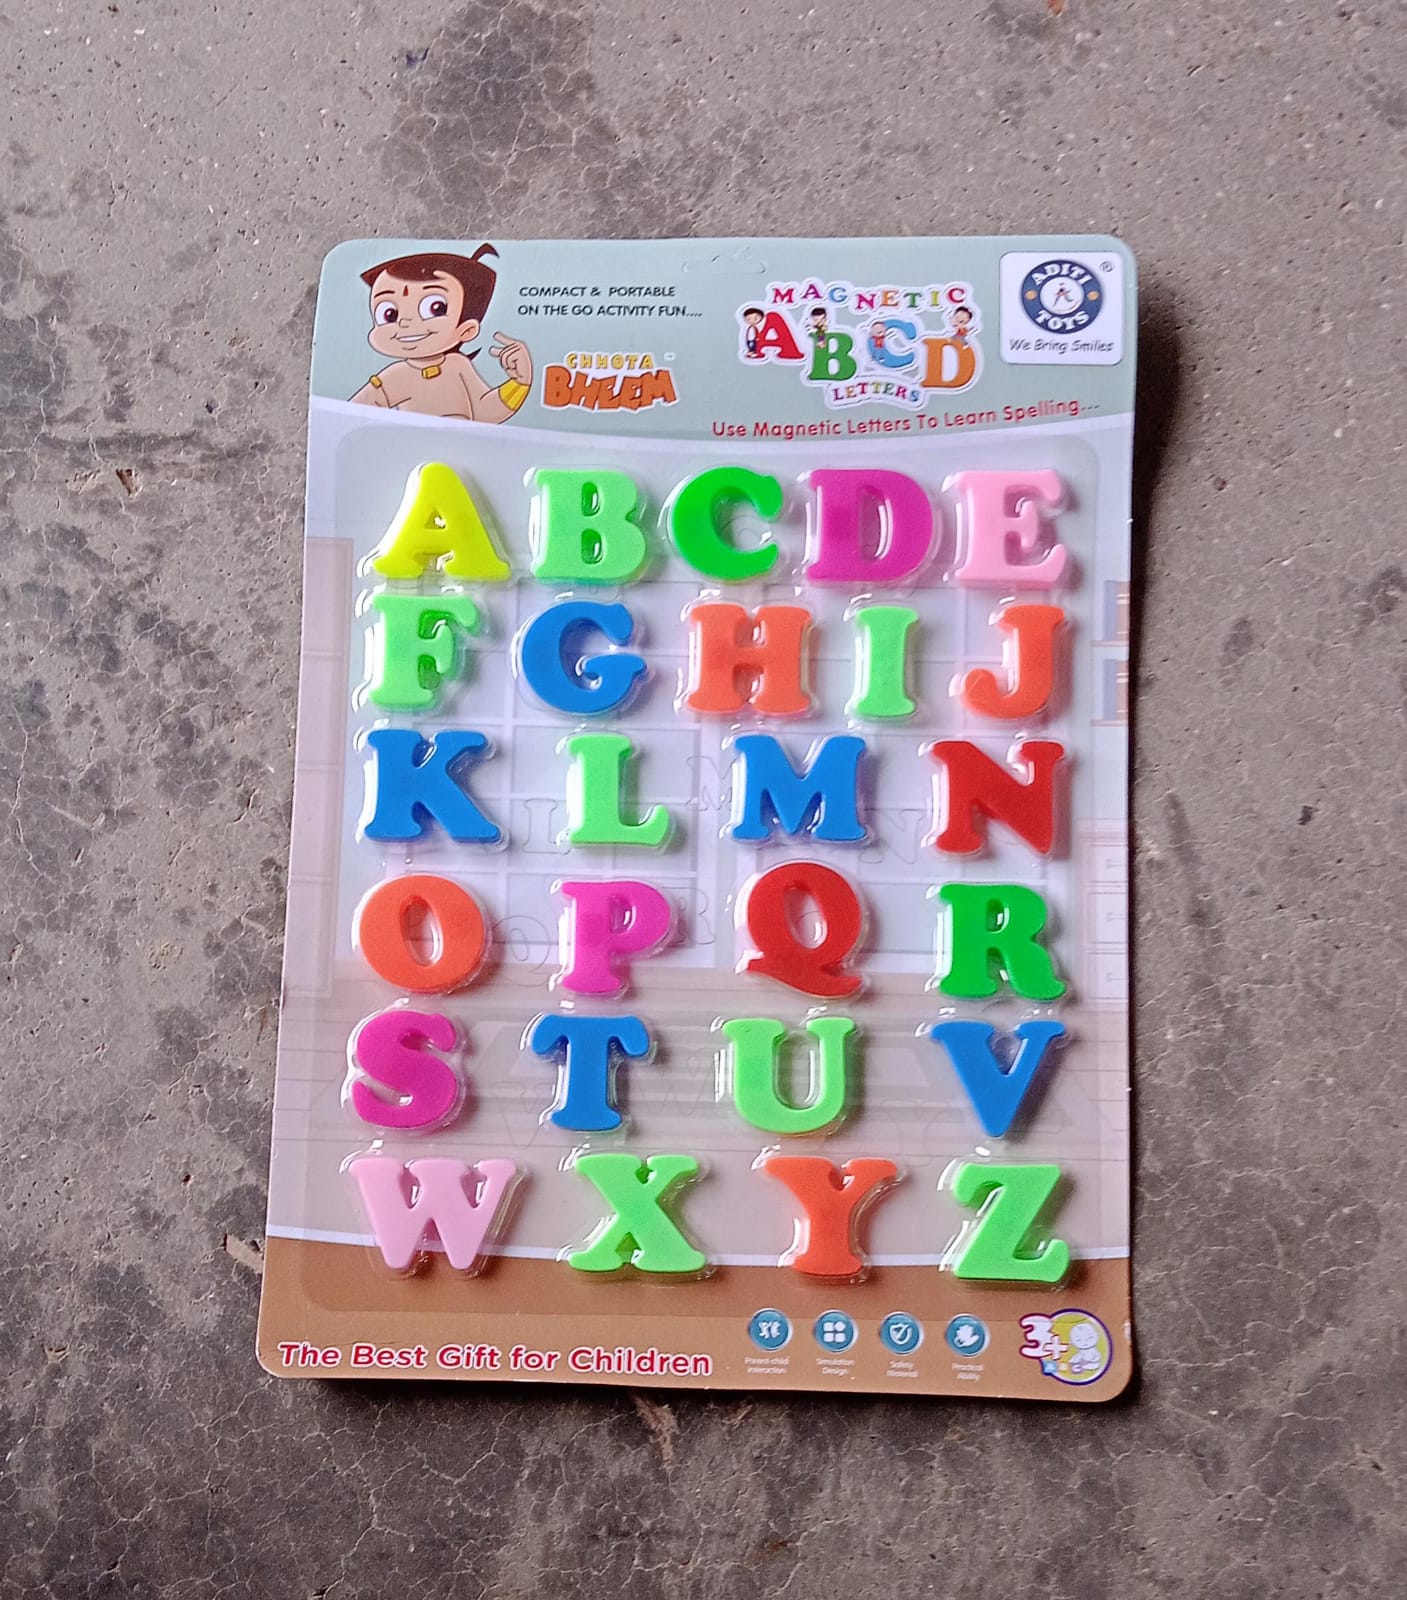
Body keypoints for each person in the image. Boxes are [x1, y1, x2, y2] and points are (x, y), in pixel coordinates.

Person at [350, 245, 532, 421]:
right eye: (389, 314)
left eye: (435, 308)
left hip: (464, 447)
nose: (405, 322)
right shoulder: (395, 376)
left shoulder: (458, 366)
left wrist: (520, 382)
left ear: (467, 329)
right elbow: (354, 411)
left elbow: (485, 412)